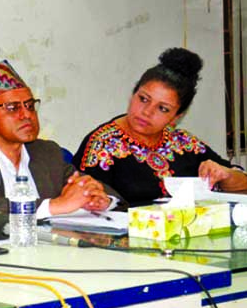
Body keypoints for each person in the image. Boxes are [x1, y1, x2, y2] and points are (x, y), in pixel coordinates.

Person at [0, 60, 122, 238]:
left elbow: (95, 188)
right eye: (12, 108)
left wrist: (98, 199)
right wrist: (55, 206)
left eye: (30, 106)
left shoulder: (47, 152)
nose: (26, 115)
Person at [74, 48, 247, 206]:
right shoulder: (102, 144)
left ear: (177, 117)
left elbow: (241, 181)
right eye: (143, 99)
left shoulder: (183, 143)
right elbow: (85, 203)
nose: (147, 112)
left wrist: (226, 175)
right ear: (133, 94)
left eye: (163, 109)